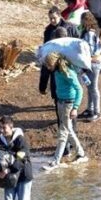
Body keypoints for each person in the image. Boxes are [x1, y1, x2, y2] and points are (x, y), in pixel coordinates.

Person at [40, 9, 78, 157]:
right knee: (64, 115)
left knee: (65, 117)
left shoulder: (70, 28)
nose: (52, 21)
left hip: (65, 85)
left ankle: (69, 145)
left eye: (54, 18)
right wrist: (42, 86)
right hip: (63, 85)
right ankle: (70, 145)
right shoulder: (48, 31)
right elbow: (46, 63)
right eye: (50, 18)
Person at [42, 52, 88, 171]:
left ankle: (56, 161)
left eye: (48, 65)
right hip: (60, 102)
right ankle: (81, 154)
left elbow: (79, 89)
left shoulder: (68, 72)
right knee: (69, 130)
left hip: (68, 103)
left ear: (54, 63)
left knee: (63, 132)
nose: (47, 67)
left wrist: (75, 108)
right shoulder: (56, 71)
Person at [79, 11, 101, 122]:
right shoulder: (92, 31)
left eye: (82, 20)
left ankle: (97, 112)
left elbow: (90, 50)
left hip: (93, 63)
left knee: (93, 88)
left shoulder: (89, 34)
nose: (81, 22)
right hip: (91, 62)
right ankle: (90, 109)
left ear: (86, 21)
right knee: (89, 87)